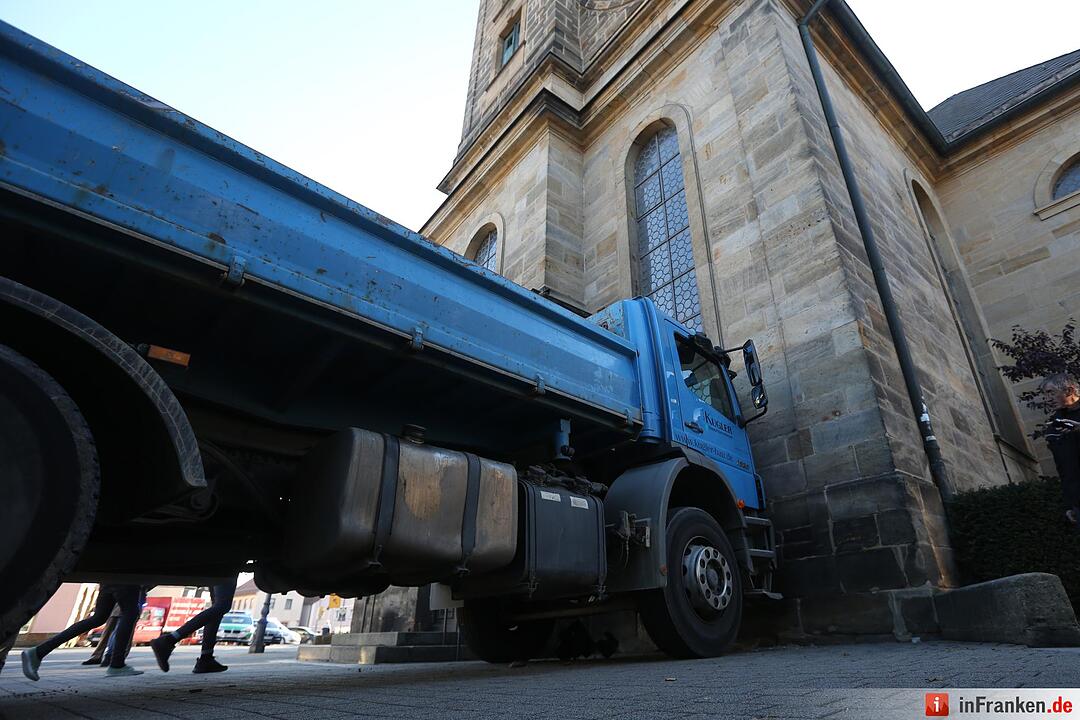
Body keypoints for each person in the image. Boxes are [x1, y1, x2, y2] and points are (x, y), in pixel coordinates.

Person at [21, 584, 143, 680]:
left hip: (107, 577)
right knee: (130, 613)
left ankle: (39, 652)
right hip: (124, 575)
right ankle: (117, 664)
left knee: (98, 618)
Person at [150, 578, 236, 674]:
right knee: (222, 605)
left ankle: (206, 658)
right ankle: (169, 640)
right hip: (224, 565)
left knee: (217, 608)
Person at [1041, 373, 1080, 526]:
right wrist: (1069, 505)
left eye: (1051, 392)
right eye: (1045, 394)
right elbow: (1063, 469)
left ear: (1069, 391)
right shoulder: (1054, 427)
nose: (1047, 398)